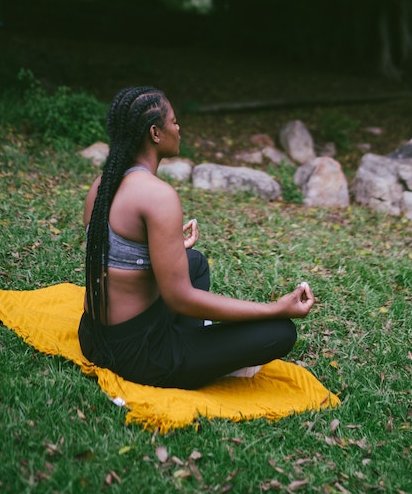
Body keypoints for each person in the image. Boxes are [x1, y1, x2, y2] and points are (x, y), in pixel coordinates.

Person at [78, 86, 314, 389]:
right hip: (138, 355)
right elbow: (180, 300)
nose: (179, 128)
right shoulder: (157, 195)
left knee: (195, 262)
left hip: (94, 336)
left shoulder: (103, 184)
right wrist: (275, 308)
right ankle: (197, 359)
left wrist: (168, 247)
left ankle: (196, 347)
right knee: (281, 333)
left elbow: (112, 255)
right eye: (174, 122)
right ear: (155, 133)